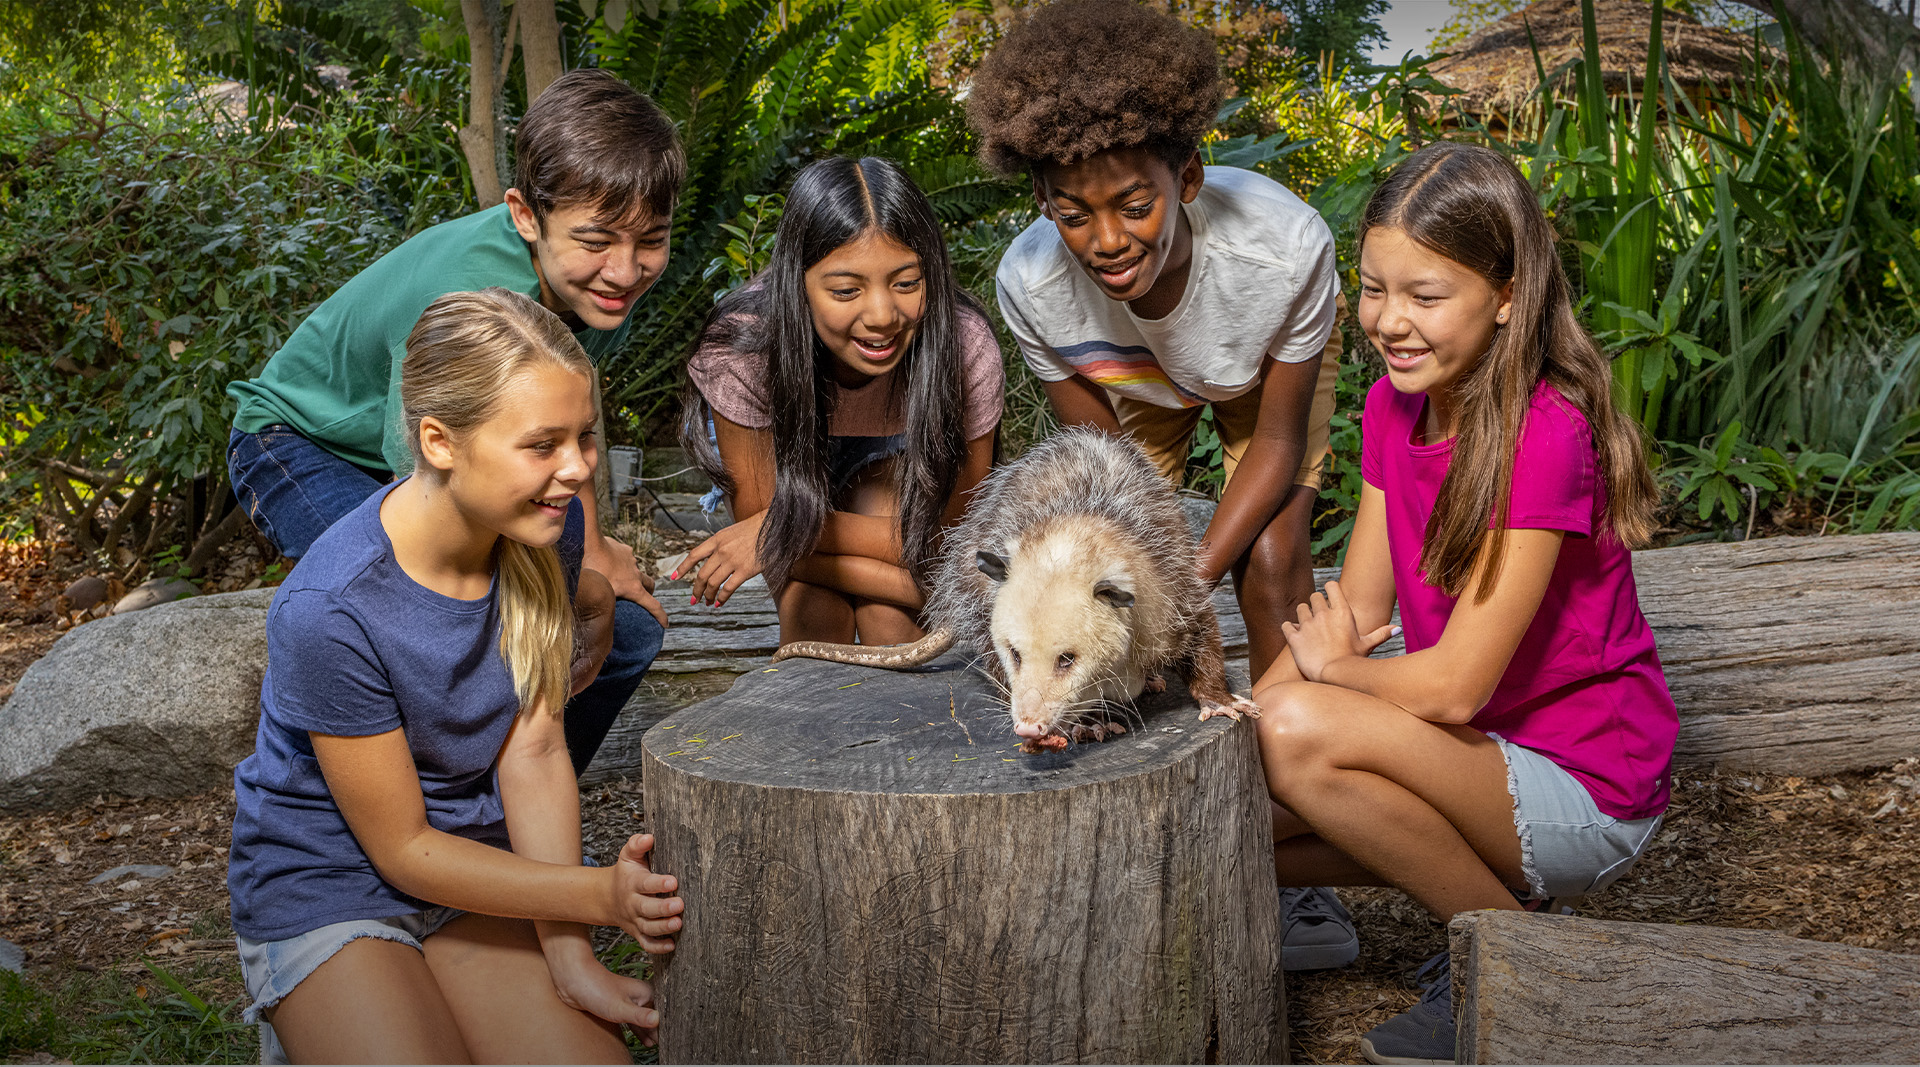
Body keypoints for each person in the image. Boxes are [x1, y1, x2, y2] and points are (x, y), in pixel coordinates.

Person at [1252, 142, 1678, 1065]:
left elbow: (1445, 686)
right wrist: (1231, 733)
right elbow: (1358, 606)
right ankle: (1478, 907)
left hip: (1585, 777)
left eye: (1425, 296)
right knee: (1236, 810)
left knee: (1291, 732)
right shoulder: (1391, 408)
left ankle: (1514, 946)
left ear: (1510, 293)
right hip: (1477, 753)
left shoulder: (1546, 433)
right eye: (1373, 289)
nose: (1390, 322)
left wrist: (1325, 680)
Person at [964, 0, 1355, 970]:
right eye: (1072, 213)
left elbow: (1269, 446)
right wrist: (1149, 605)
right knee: (1122, 603)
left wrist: (1188, 589)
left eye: (1132, 204)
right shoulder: (1033, 282)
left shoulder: (1284, 248)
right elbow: (1106, 473)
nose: (1104, 236)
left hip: (1258, 369)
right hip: (1128, 388)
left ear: (1186, 178)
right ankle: (1150, 816)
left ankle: (1294, 851)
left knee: (1268, 559)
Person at [228, 289, 686, 1064]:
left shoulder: (548, 525)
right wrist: (594, 893)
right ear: (440, 441)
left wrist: (569, 953)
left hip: (475, 866)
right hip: (333, 883)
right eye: (542, 444)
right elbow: (403, 848)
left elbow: (535, 751)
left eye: (584, 437)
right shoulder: (326, 608)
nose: (575, 469)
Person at [226, 69, 680, 774]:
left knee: (623, 633)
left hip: (446, 457)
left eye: (650, 239)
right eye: (597, 241)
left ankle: (502, 815)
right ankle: (390, 824)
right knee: (421, 621)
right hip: (302, 443)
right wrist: (566, 581)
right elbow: (423, 486)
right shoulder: (471, 301)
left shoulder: (595, 288)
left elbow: (567, 416)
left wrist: (588, 554)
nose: (625, 269)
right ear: (526, 216)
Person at [674, 156, 1002, 644]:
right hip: (799, 485)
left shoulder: (964, 344)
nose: (882, 315)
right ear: (796, 284)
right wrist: (923, 588)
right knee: (814, 618)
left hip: (906, 493)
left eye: (907, 283)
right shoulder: (742, 348)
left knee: (891, 622)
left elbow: (954, 534)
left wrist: (780, 533)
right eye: (846, 290)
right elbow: (760, 523)